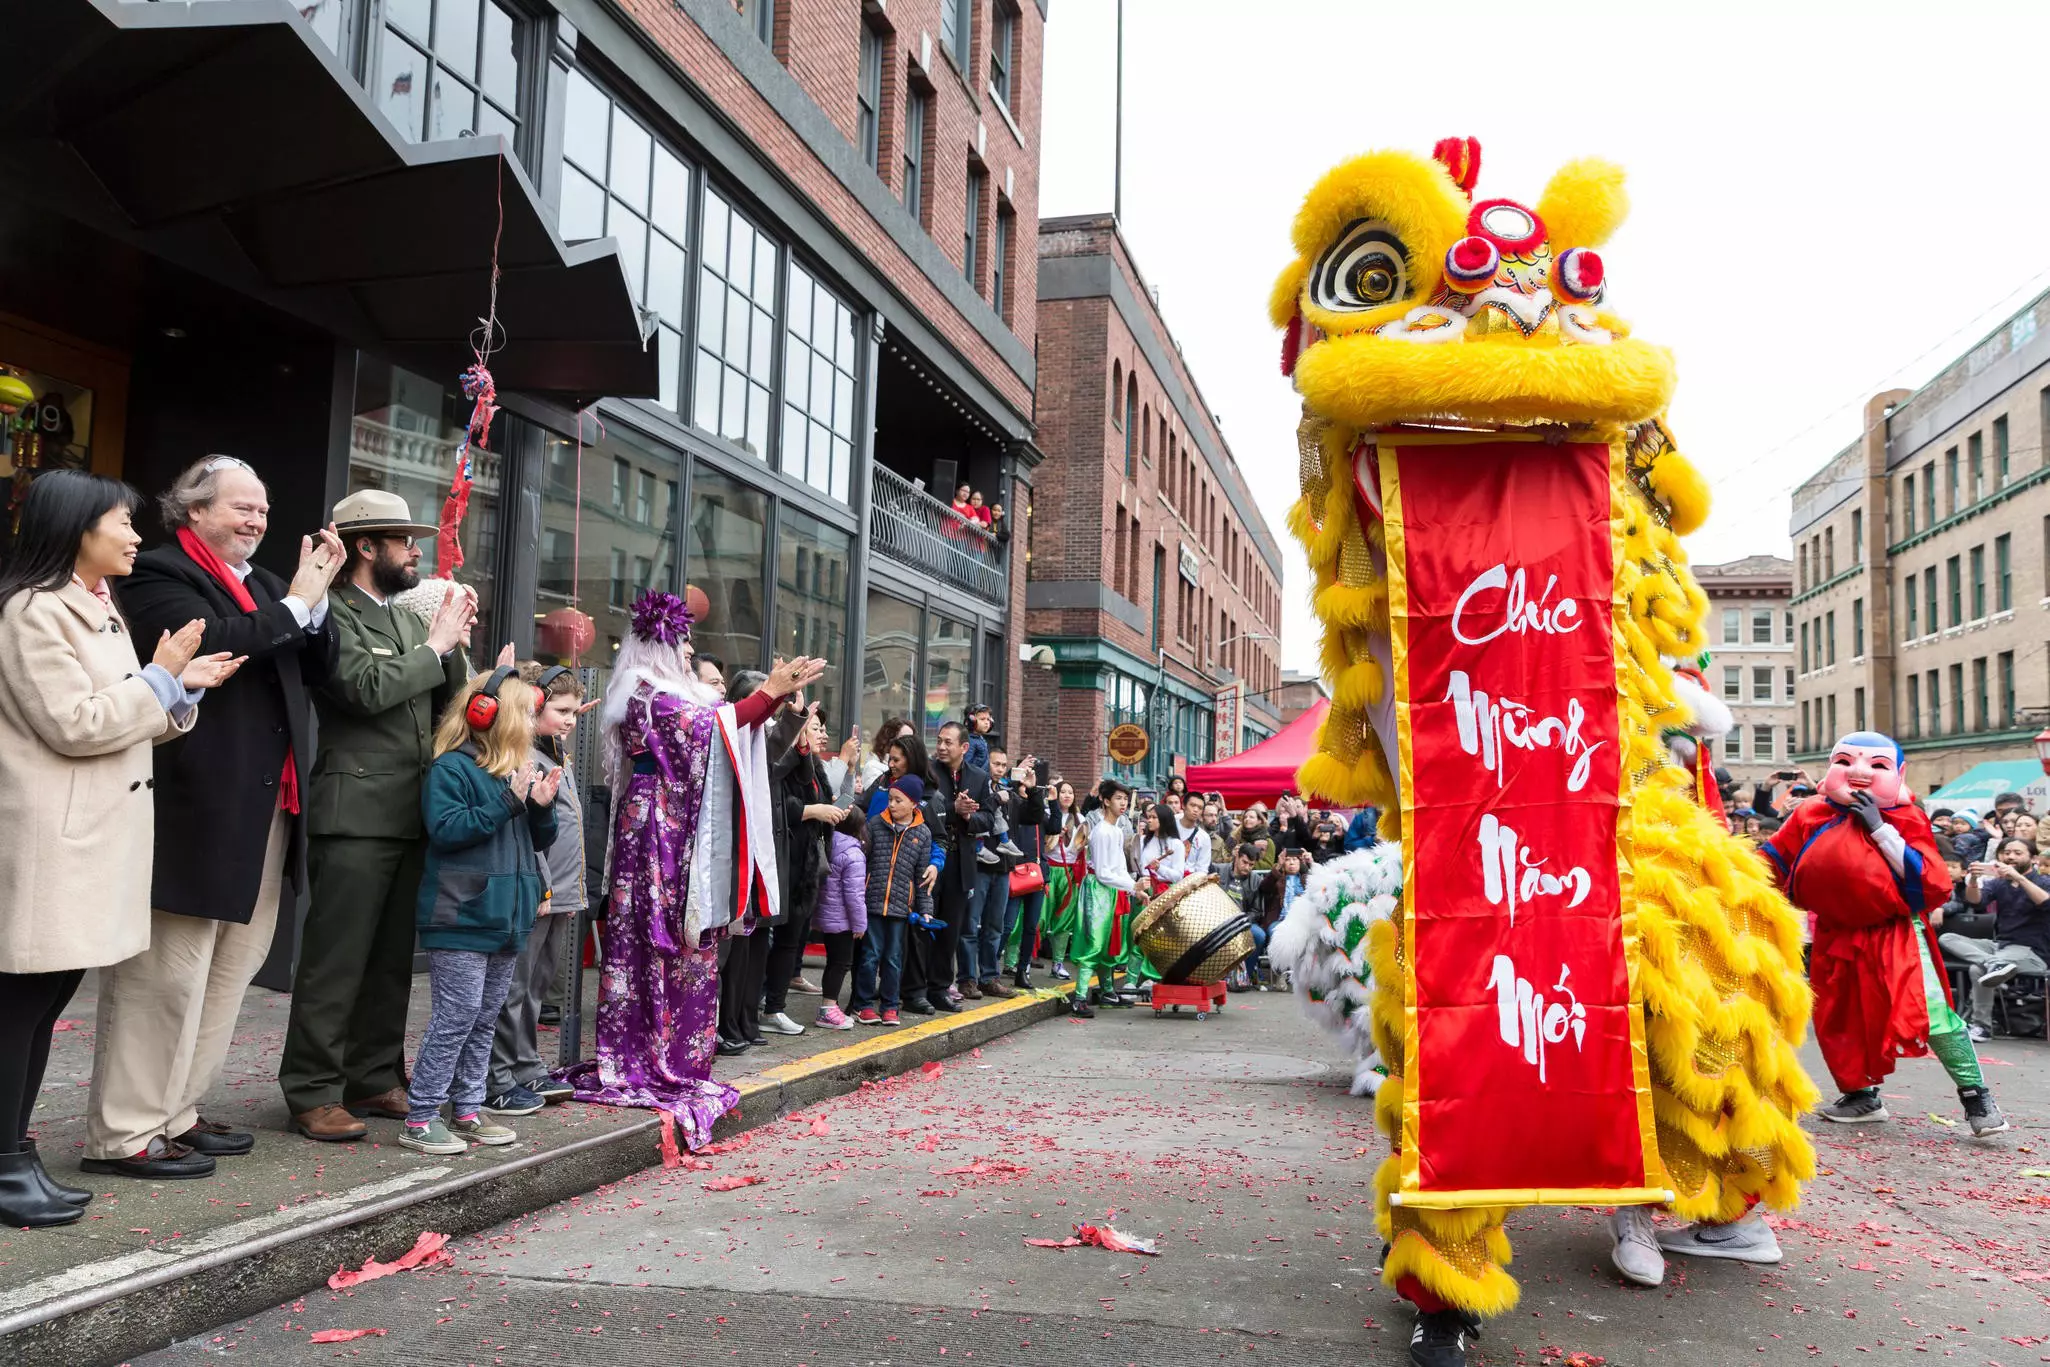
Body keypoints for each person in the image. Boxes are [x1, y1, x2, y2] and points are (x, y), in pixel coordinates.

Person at [86, 457, 341, 1177]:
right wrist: (293, 607)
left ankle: (178, 1112)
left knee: (232, 968)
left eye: (262, 509)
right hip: (194, 805)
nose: (257, 520)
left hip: (268, 805)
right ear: (193, 511)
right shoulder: (160, 574)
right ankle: (124, 1131)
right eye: (241, 507)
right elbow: (218, 642)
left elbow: (318, 666)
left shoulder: (266, 585)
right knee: (167, 971)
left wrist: (314, 607)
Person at [0, 470, 237, 1222]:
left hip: (91, 834)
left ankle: (13, 1151)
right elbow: (75, 722)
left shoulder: (94, 604)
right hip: (52, 836)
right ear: (76, 527)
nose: (137, 534)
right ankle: (5, 1162)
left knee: (42, 1000)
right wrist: (162, 680)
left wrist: (178, 687)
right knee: (22, 1002)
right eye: (122, 521)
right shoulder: (33, 610)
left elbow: (124, 711)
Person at [561, 590, 821, 1145]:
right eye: (681, 642)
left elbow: (724, 729)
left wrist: (775, 700)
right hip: (659, 829)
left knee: (689, 938)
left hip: (675, 827)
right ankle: (651, 1055)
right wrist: (769, 693)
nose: (687, 652)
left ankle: (675, 1052)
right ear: (660, 645)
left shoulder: (665, 695)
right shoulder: (649, 698)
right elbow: (712, 732)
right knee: (661, 939)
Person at [279, 490, 474, 1143]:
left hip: (406, 810)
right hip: (355, 809)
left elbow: (446, 703)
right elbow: (363, 689)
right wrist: (434, 646)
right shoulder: (329, 610)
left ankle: (372, 1073)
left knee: (391, 959)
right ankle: (311, 1087)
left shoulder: (400, 620)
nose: (416, 550)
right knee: (336, 959)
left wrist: (458, 644)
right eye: (404, 539)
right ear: (365, 546)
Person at [1758, 732, 2006, 1137]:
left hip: (1896, 933)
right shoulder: (1811, 813)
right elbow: (1772, 861)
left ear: (1898, 772)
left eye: (1876, 765)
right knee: (1838, 1017)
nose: (1858, 772)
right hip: (1836, 934)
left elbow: (1929, 882)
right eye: (1846, 761)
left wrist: (1878, 827)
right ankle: (1861, 1095)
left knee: (1929, 1014)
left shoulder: (1905, 817)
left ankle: (1976, 1095)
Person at [399, 668, 559, 1155]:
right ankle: (422, 1116)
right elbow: (447, 829)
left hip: (505, 917)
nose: (532, 725)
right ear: (488, 715)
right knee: (458, 1015)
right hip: (462, 916)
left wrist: (539, 808)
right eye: (524, 715)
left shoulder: (512, 771)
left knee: (485, 1017)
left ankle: (467, 1109)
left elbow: (539, 840)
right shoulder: (452, 768)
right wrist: (510, 802)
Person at [484, 663, 589, 1114]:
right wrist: (545, 890)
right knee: (515, 987)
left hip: (562, 892)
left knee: (537, 987)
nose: (569, 719)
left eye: (575, 712)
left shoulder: (555, 754)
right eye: (561, 710)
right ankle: (498, 1075)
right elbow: (531, 833)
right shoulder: (525, 757)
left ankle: (526, 1065)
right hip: (540, 892)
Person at [714, 669, 813, 1052]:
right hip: (743, 850)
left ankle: (747, 1021)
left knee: (759, 944)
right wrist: (792, 726)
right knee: (736, 948)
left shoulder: (765, 734)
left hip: (772, 851)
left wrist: (799, 732)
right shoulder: (732, 731)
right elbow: (772, 764)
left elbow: (803, 775)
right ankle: (730, 1024)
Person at [762, 706, 844, 1037]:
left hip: (806, 863)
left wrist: (834, 810)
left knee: (790, 940)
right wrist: (815, 811)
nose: (820, 734)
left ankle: (774, 1007)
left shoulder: (813, 765)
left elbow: (820, 797)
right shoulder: (779, 760)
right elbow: (778, 804)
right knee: (768, 940)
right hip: (784, 857)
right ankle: (763, 1005)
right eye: (814, 728)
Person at [909, 722, 992, 1016]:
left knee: (950, 931)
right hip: (930, 861)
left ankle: (940, 988)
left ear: (964, 748)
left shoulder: (980, 777)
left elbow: (990, 820)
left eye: (948, 743)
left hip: (961, 863)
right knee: (923, 927)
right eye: (939, 741)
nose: (942, 747)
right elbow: (919, 814)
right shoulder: (927, 773)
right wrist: (952, 811)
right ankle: (915, 990)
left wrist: (970, 817)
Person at [1943, 837, 2050, 1041]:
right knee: (1948, 938)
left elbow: (2045, 902)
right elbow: (1976, 901)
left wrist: (2020, 879)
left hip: (2032, 951)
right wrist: (1973, 880)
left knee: (1977, 969)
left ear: (2033, 858)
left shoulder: (2044, 881)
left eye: (2018, 853)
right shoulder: (1999, 883)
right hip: (1999, 947)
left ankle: (1981, 1026)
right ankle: (1994, 964)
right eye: (2007, 852)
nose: (2010, 857)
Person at [851, 776, 934, 1026]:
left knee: (894, 959)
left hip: (900, 908)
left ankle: (890, 1006)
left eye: (899, 800)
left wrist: (926, 910)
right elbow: (862, 862)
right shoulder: (875, 824)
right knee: (870, 956)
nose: (893, 805)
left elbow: (922, 878)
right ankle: (863, 1005)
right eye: (891, 799)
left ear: (914, 804)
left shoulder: (923, 833)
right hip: (873, 903)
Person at [1070, 779, 1143, 1018]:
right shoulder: (1101, 831)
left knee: (1111, 943)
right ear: (1105, 800)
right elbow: (1102, 872)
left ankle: (1107, 992)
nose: (1123, 803)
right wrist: (1132, 885)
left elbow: (1120, 867)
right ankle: (1080, 996)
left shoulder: (1117, 830)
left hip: (1113, 890)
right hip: (1098, 890)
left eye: (1125, 799)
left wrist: (1134, 889)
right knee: (1095, 942)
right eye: (1118, 799)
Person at [963, 746, 1019, 999]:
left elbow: (1031, 817)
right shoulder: (978, 786)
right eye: (995, 763)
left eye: (1003, 764)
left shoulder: (1007, 789)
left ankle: (989, 977)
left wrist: (1027, 789)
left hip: (1003, 867)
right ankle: (967, 979)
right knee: (971, 925)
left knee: (995, 926)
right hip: (980, 867)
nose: (1000, 768)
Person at [810, 808, 869, 1029]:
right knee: (841, 963)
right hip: (842, 920)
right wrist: (860, 924)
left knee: (832, 962)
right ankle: (828, 1008)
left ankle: (829, 1006)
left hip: (825, 916)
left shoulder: (828, 844)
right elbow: (854, 895)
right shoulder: (854, 853)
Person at [997, 756, 1050, 990]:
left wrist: (1037, 790)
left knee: (1031, 926)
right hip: (1015, 870)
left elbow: (1052, 824)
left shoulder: (1036, 804)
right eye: (1024, 773)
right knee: (1007, 924)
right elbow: (1005, 792)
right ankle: (991, 967)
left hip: (1036, 872)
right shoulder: (1011, 803)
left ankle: (1022, 970)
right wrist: (1013, 775)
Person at [1037, 780, 1084, 981]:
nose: (1066, 795)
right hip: (1049, 869)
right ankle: (1019, 962)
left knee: (1064, 920)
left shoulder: (1080, 819)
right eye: (1062, 792)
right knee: (1039, 917)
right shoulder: (1047, 815)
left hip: (1069, 872)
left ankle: (1057, 963)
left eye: (1070, 792)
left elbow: (1080, 848)